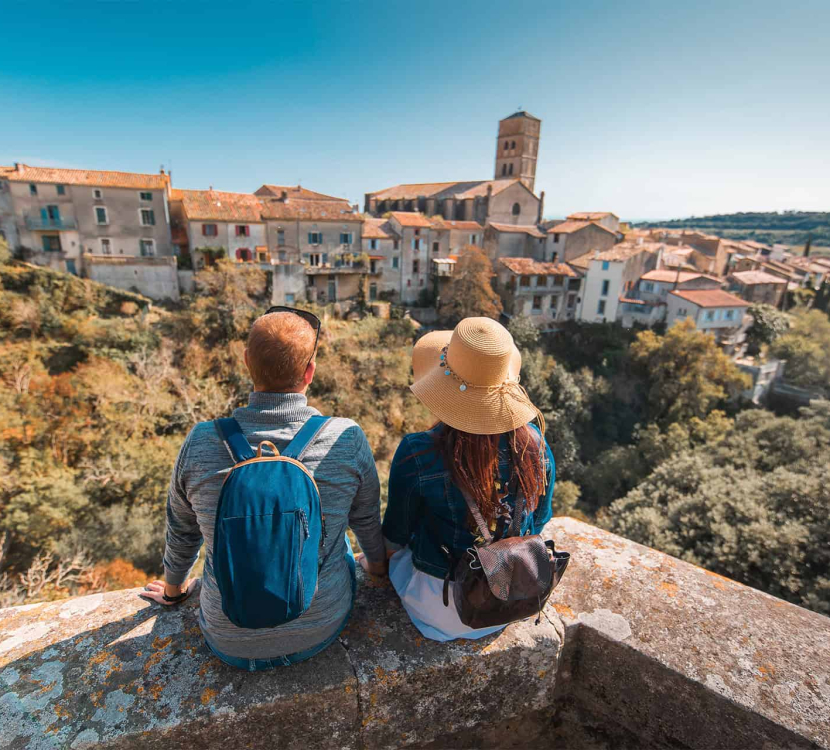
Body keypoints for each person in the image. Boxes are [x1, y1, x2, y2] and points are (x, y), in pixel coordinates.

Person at [139, 307, 387, 669]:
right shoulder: (344, 438)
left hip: (227, 635)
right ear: (309, 372)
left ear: (246, 363)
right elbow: (367, 521)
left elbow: (182, 531)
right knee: (340, 541)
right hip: (319, 626)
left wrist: (175, 591)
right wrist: (377, 569)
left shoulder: (202, 442)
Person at [381, 317, 555, 642]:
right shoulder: (535, 445)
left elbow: (395, 539)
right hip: (509, 598)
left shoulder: (418, 453)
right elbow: (540, 521)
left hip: (438, 603)